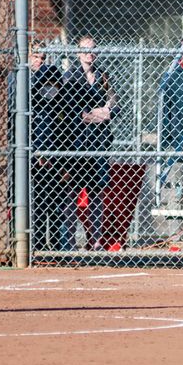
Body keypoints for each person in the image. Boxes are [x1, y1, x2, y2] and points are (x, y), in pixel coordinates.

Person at [60, 35, 118, 250]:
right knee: (71, 193)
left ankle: (95, 241)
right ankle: (69, 243)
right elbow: (71, 111)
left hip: (99, 143)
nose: (89, 54)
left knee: (96, 193)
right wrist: (92, 114)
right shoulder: (70, 77)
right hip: (76, 143)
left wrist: (105, 112)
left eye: (93, 49)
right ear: (78, 53)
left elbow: (115, 104)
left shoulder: (103, 76)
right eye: (85, 50)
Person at [30, 41, 64, 251]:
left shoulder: (51, 76)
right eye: (36, 57)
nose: (39, 62)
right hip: (31, 150)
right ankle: (37, 242)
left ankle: (56, 245)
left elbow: (52, 96)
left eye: (42, 58)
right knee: (37, 201)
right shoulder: (20, 79)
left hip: (52, 151)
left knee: (55, 200)